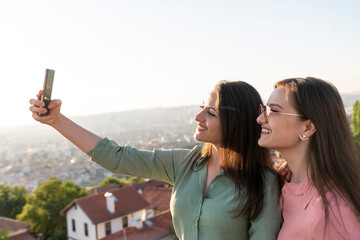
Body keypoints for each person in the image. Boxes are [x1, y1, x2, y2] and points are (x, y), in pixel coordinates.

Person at [30, 80, 282, 240]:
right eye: (202, 106)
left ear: (236, 122)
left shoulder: (263, 183)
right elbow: (116, 157)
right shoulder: (185, 163)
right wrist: (56, 120)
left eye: (211, 111)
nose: (198, 116)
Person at [257, 77, 360, 239]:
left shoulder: (332, 210)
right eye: (264, 110)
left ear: (308, 127)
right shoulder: (279, 182)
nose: (260, 119)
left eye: (274, 111)